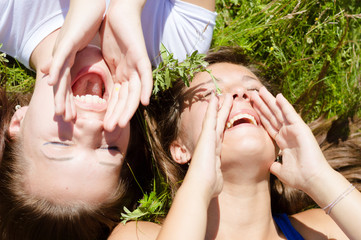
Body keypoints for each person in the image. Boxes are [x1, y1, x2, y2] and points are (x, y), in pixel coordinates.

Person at [0, 0, 216, 239]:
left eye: (61, 143)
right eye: (109, 149)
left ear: (18, 123)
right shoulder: (178, 46)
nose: (93, 126)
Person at [108, 46, 361, 240]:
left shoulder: (326, 228)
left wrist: (318, 177)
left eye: (254, 90)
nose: (239, 94)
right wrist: (198, 185)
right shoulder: (138, 235)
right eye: (212, 93)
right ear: (180, 148)